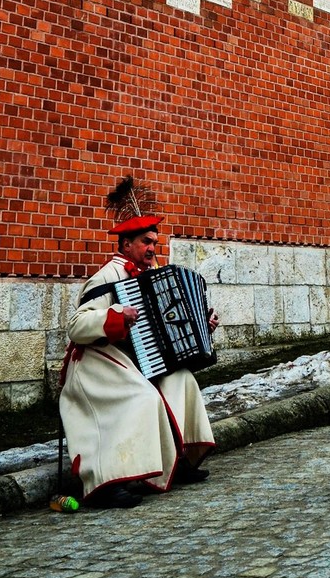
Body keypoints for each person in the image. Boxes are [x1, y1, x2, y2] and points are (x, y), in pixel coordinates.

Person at [59, 213, 218, 509]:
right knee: (142, 396)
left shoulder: (154, 275)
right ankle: (108, 482)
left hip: (140, 361)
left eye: (155, 243)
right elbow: (76, 326)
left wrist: (201, 327)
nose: (152, 248)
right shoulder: (107, 276)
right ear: (126, 244)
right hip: (97, 361)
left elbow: (170, 325)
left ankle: (178, 460)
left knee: (182, 381)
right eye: (146, 242)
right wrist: (114, 318)